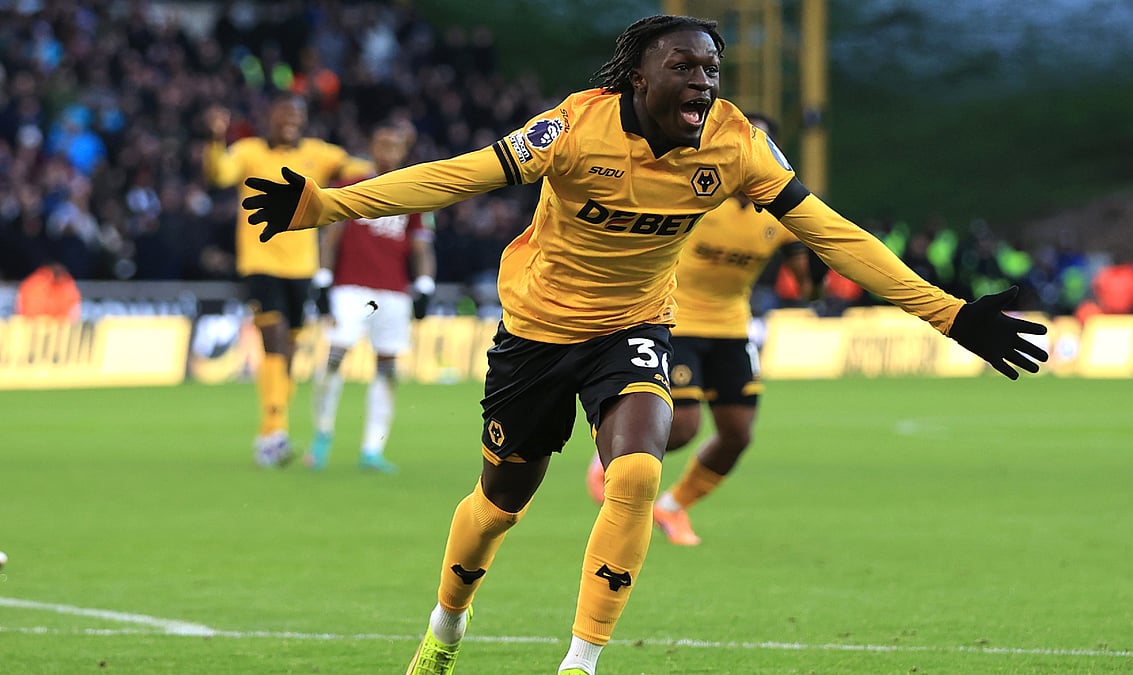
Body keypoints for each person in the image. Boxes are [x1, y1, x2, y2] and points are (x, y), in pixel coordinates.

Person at [241, 15, 1047, 675]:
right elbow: (458, 175)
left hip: (632, 327)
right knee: (497, 509)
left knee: (635, 471)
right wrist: (328, 205)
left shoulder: (735, 144)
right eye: (684, 67)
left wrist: (948, 314)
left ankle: (580, 663)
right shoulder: (573, 126)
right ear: (638, 77)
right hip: (535, 331)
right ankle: (445, 628)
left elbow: (831, 232)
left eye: (712, 70)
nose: (703, 82)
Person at [583, 113, 813, 547]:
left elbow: (806, 282)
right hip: (676, 319)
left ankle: (673, 506)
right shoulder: (701, 193)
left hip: (733, 326)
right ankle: (610, 455)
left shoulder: (779, 213)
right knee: (684, 426)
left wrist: (811, 264)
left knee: (737, 433)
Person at [202, 92, 372, 467]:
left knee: (290, 352)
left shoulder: (318, 153)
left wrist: (388, 161)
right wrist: (214, 139)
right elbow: (218, 173)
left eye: (296, 116)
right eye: (283, 115)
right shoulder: (248, 151)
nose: (289, 121)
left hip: (302, 266)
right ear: (270, 117)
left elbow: (361, 169)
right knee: (274, 338)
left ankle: (272, 432)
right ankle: (273, 432)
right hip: (260, 262)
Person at [307, 122, 438, 473]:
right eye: (382, 144)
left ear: (403, 152)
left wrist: (425, 285)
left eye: (395, 146)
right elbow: (331, 236)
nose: (388, 152)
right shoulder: (351, 187)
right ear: (371, 147)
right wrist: (322, 279)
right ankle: (322, 435)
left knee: (388, 368)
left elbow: (422, 246)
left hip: (394, 292)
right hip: (351, 287)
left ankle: (372, 449)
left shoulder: (415, 194)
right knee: (335, 356)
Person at [15, 262, 82, 320]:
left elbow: (73, 307)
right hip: (36, 322)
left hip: (54, 323)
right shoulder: (37, 284)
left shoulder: (66, 285)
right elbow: (30, 307)